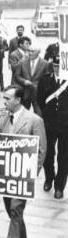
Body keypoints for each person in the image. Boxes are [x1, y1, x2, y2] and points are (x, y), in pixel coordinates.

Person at [0, 85, 47, 238]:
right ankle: (21, 235)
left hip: (22, 173)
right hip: (5, 172)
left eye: (7, 98)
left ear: (18, 100)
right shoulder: (3, 118)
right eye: (3, 98)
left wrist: (31, 173)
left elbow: (42, 149)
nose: (3, 102)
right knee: (9, 206)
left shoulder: (34, 120)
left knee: (15, 207)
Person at [37, 60, 68, 199]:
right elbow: (39, 99)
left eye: (60, 65)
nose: (57, 68)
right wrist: (45, 114)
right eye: (55, 65)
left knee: (64, 156)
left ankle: (59, 186)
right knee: (47, 154)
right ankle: (49, 178)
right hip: (49, 123)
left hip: (66, 124)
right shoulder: (45, 79)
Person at [13, 48, 52, 114]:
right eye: (29, 51)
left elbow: (47, 79)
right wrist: (24, 81)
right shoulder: (22, 62)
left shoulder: (45, 64)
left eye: (32, 51)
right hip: (25, 93)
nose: (30, 53)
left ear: (38, 52)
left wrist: (39, 85)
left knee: (39, 115)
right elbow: (17, 76)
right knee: (22, 115)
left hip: (38, 95)